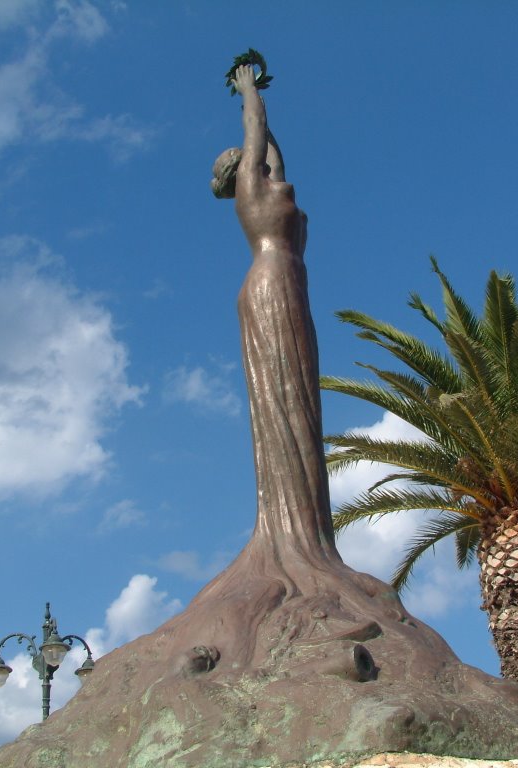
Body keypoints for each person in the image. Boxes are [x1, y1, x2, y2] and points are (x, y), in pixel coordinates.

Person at [212, 64, 337, 559]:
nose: (251, 156)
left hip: (288, 284)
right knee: (284, 400)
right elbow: (256, 133)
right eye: (242, 157)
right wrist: (247, 91)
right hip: (270, 284)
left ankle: (309, 535)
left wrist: (263, 100)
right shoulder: (250, 189)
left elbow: (272, 150)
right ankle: (291, 538)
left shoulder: (274, 184)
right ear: (235, 170)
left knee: (300, 398)